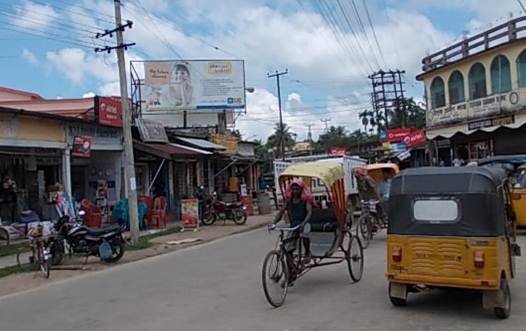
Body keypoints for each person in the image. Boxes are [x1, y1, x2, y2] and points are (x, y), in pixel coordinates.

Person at [271, 179, 313, 263]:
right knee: (288, 245)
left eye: (297, 189)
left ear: (301, 190)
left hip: (304, 223)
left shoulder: (305, 200)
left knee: (305, 235)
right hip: (294, 224)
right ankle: (291, 269)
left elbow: (309, 212)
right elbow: (281, 212)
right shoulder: (289, 201)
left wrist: (303, 223)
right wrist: (273, 223)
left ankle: (308, 253)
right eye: (293, 189)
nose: (295, 191)